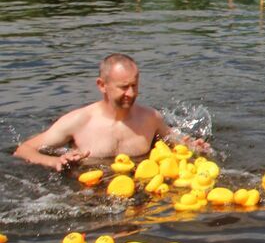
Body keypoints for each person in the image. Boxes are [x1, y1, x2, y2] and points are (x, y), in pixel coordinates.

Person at [13, 53, 209, 171]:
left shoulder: (151, 118)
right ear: (102, 85)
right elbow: (23, 150)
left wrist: (194, 145)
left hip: (141, 193)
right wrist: (53, 161)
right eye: (123, 87)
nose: (131, 93)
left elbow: (176, 140)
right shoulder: (78, 121)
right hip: (89, 194)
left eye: (134, 85)